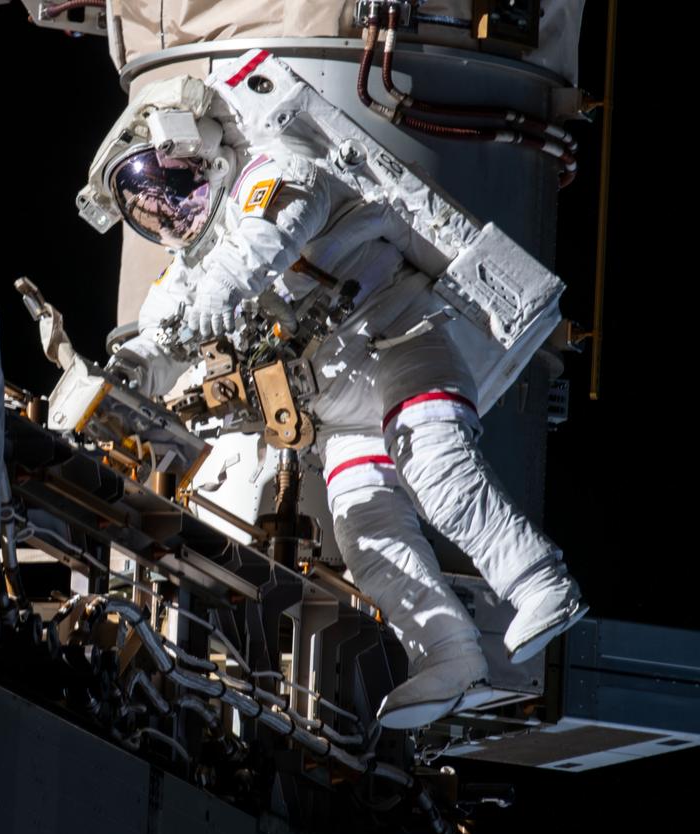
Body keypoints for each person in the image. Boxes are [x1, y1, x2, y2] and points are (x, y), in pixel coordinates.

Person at [81, 72, 587, 730]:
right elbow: (166, 318)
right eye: (153, 210)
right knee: (365, 531)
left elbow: (256, 257)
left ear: (205, 150)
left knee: (433, 466)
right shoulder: (201, 259)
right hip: (345, 406)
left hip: (403, 340)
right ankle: (448, 652)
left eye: (174, 189)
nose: (171, 212)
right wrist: (120, 371)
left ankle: (539, 582)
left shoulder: (281, 170)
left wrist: (186, 322)